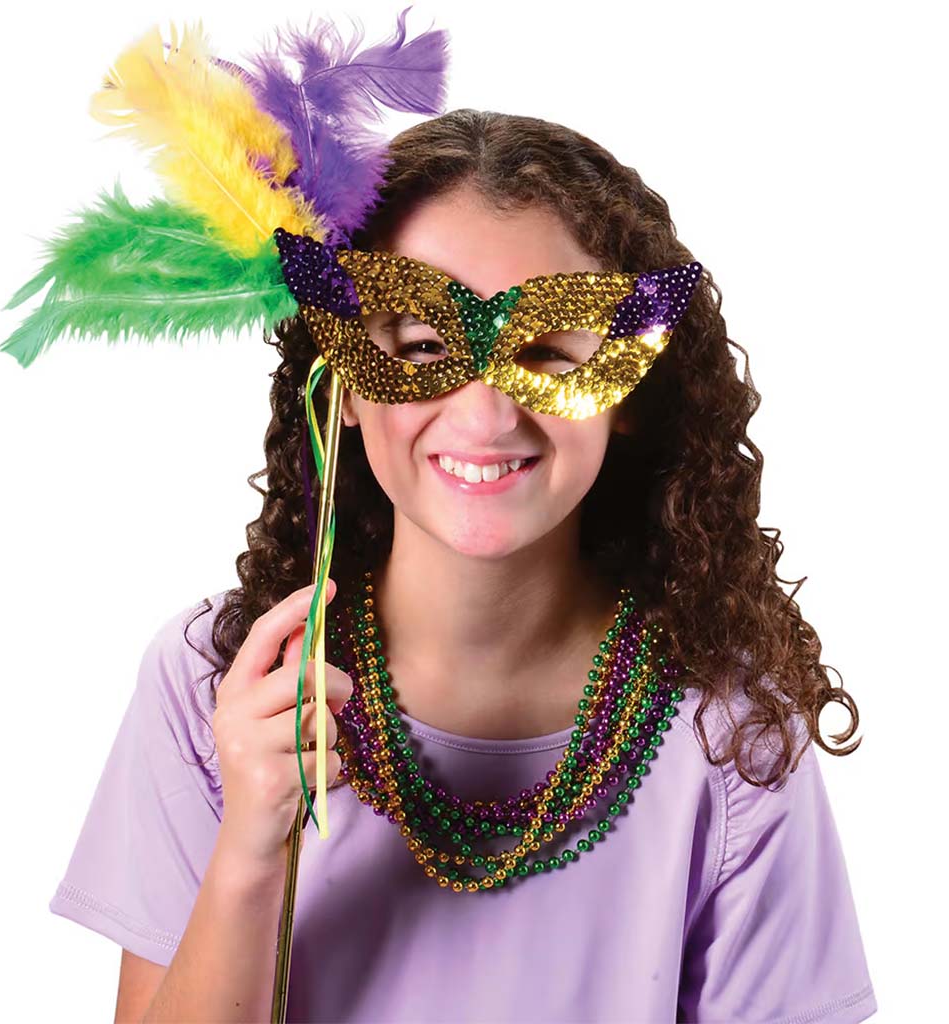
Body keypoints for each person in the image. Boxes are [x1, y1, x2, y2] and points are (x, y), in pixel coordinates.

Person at [45, 108, 878, 1022]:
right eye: (423, 347)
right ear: (348, 382)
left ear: (630, 389)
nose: (483, 418)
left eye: (551, 351)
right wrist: (251, 842)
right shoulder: (219, 681)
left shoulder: (731, 738)